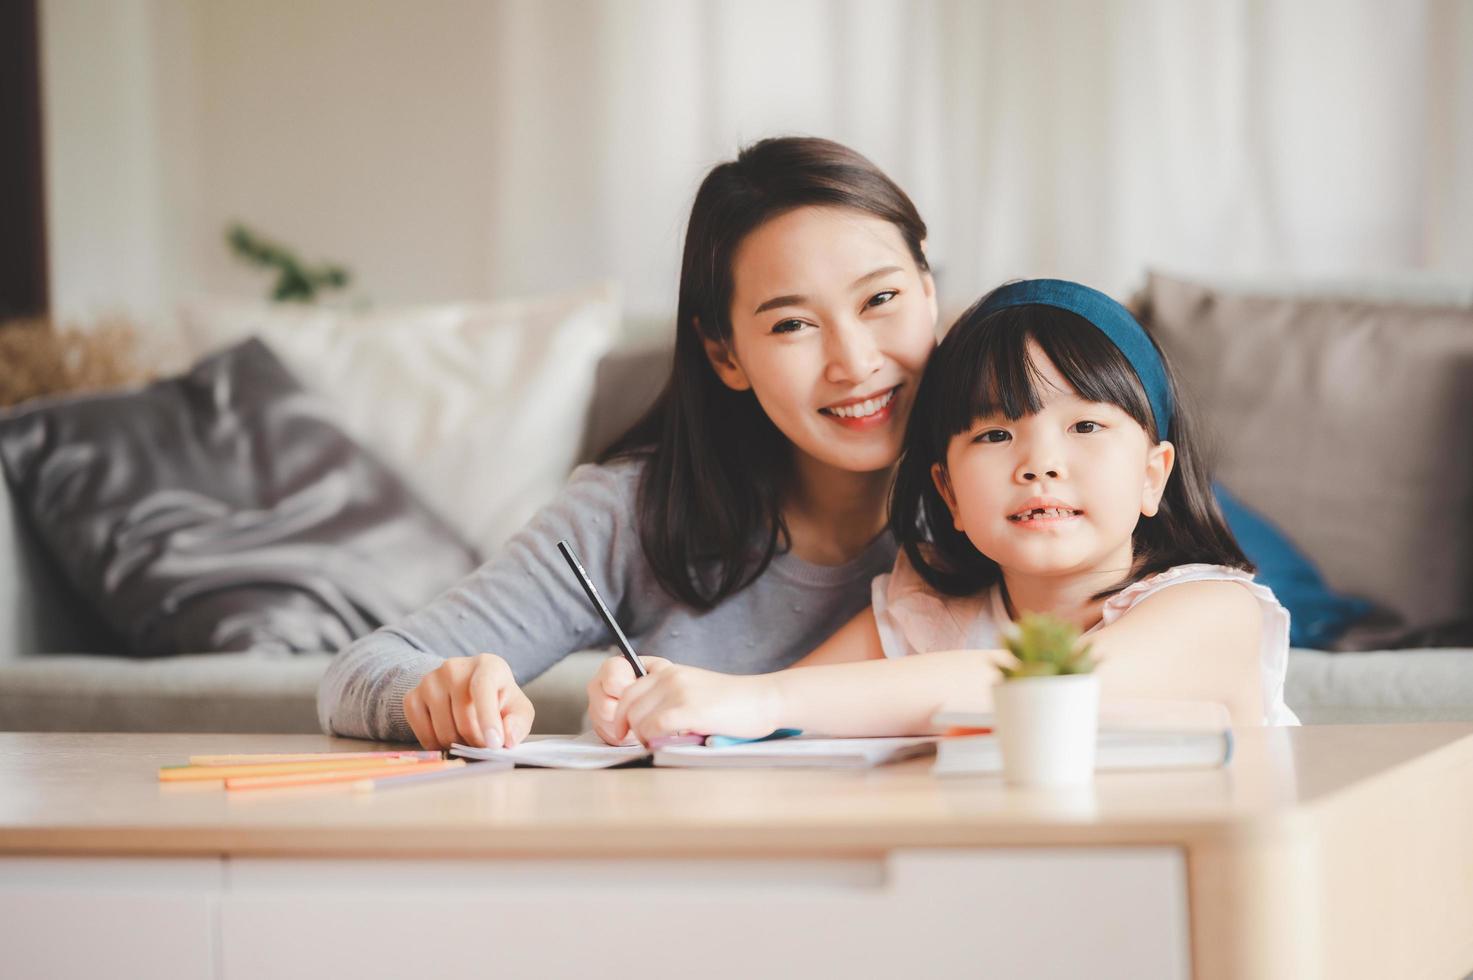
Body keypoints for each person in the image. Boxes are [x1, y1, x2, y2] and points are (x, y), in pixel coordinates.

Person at [317, 136, 940, 748]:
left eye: (881, 298)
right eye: (792, 324)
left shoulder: (1017, 488)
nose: (854, 363)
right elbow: (359, 671)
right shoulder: (632, 512)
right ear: (725, 355)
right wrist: (435, 693)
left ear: (929, 291)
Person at [592, 279, 1300, 745]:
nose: (1038, 464)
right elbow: (787, 721)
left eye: (1084, 427)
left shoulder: (1213, 611)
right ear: (951, 495)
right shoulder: (927, 611)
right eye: (995, 435)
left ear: (1154, 477)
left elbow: (1056, 692)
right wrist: (667, 713)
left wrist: (758, 702)